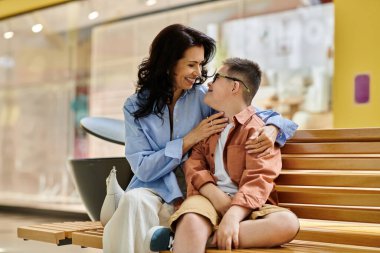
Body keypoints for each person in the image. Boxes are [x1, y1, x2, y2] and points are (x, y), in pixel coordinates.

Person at [103, 24, 298, 253]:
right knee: (133, 202)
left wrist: (274, 127)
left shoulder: (204, 99)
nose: (199, 73)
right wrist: (189, 139)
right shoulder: (135, 106)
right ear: (168, 63)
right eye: (191, 64)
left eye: (201, 64)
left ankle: (183, 238)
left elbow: (243, 110)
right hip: (155, 189)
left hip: (196, 194)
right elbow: (144, 169)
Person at [146, 58, 300, 252]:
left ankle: (194, 240)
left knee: (287, 223)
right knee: (192, 220)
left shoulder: (258, 132)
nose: (208, 82)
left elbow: (259, 179)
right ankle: (193, 235)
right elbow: (193, 164)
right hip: (207, 198)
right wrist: (214, 194)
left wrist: (232, 216)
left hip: (249, 205)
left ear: (235, 87)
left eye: (217, 77)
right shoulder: (209, 125)